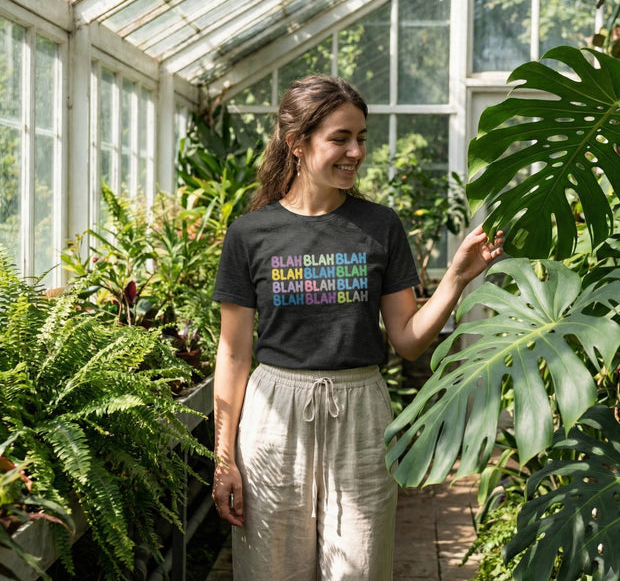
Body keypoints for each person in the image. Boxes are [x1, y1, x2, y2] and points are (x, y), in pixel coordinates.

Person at [211, 74, 503, 581]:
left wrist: (455, 279)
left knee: (361, 569)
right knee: (270, 570)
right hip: (275, 414)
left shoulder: (380, 225)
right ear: (296, 143)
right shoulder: (251, 232)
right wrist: (223, 457)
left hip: (361, 412)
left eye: (361, 138)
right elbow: (234, 354)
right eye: (340, 138)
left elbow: (409, 341)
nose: (355, 152)